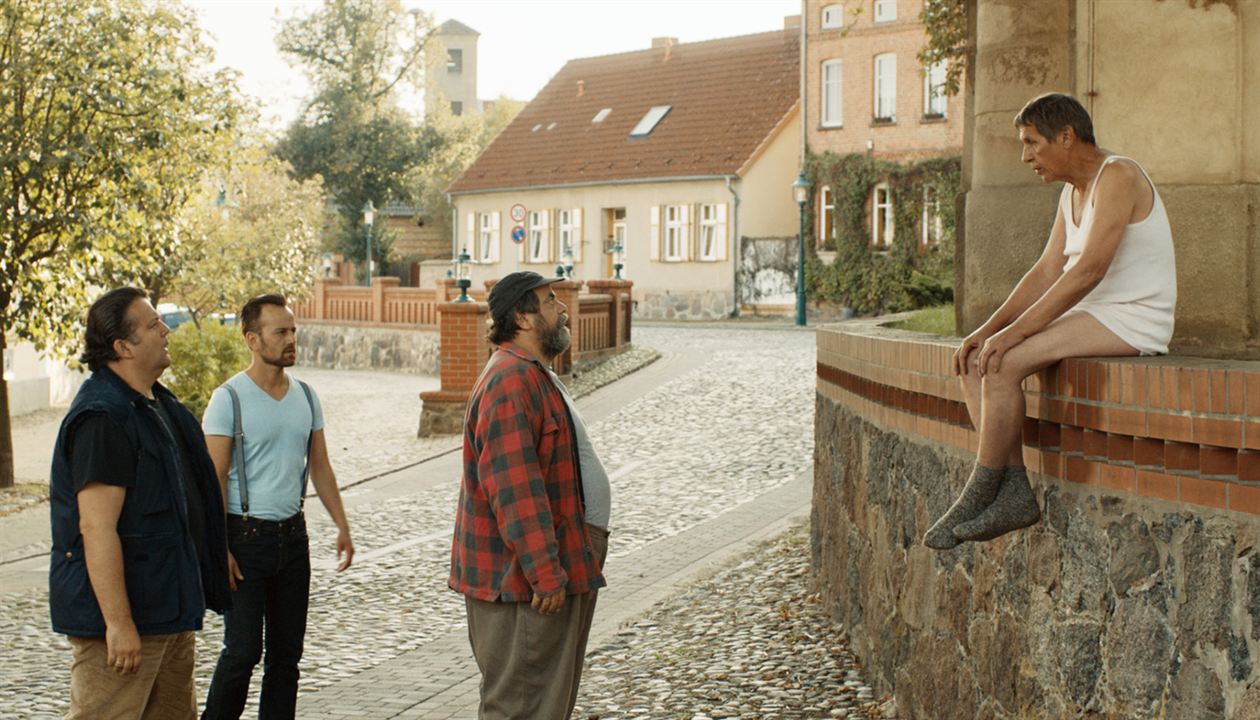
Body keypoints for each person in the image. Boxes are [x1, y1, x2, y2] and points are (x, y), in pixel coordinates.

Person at [924, 92, 1176, 550]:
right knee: (975, 358)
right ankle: (1014, 486)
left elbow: (1089, 270)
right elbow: (1046, 271)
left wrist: (1013, 337)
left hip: (1134, 317)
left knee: (1002, 362)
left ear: (1066, 136)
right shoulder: (1071, 192)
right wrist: (986, 331)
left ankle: (980, 491)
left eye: (1031, 143)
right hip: (1096, 313)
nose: (1025, 157)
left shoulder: (1117, 175)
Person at [49, 287, 232, 719]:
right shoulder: (103, 418)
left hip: (168, 612)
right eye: (152, 325)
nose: (165, 330)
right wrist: (118, 623)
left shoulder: (155, 405)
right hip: (126, 623)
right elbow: (96, 527)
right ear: (122, 346)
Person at [450, 271, 612, 719]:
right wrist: (545, 572)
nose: (561, 308)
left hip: (551, 569)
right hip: (524, 585)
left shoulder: (530, 374)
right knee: (521, 706)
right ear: (522, 317)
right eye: (548, 300)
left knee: (545, 703)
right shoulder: (509, 381)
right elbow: (514, 486)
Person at [200, 294, 354, 719]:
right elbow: (212, 480)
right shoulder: (228, 399)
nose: (291, 340)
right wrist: (219, 548)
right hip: (244, 538)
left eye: (293, 331)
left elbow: (320, 466)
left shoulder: (306, 395)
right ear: (252, 338)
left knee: (286, 658)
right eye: (280, 332)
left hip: (292, 537)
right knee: (242, 652)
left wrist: (342, 524)